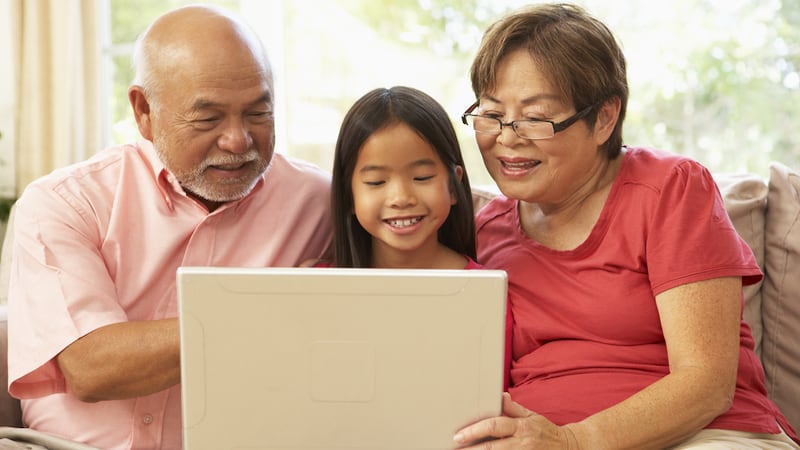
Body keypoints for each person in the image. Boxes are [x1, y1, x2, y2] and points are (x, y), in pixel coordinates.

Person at [452, 3, 800, 450]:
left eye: (535, 118)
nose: (507, 137)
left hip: (708, 434)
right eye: (492, 114)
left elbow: (707, 383)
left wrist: (573, 441)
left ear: (603, 118)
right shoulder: (484, 232)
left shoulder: (670, 188)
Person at [6, 5, 331, 450]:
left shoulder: (320, 202)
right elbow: (91, 366)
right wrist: (268, 307)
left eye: (258, 113)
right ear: (143, 111)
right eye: (208, 118)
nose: (238, 140)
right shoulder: (65, 203)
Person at [322, 85, 511, 387]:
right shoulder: (317, 290)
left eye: (422, 178)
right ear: (349, 196)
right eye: (376, 181)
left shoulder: (485, 293)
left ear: (453, 186)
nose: (401, 197)